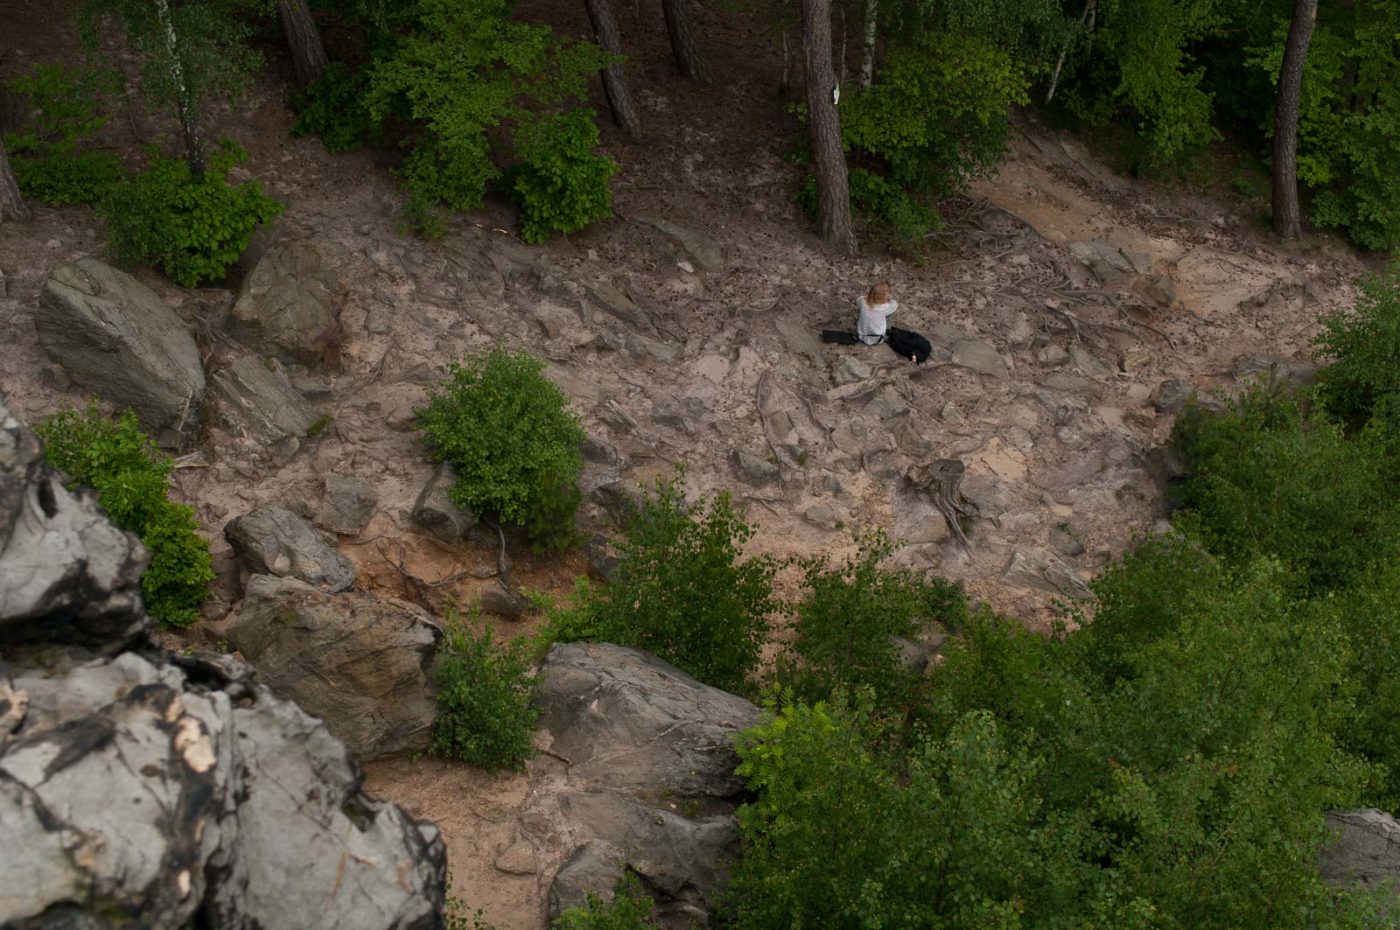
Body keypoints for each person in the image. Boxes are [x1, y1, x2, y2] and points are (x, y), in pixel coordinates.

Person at [821, 282, 932, 364]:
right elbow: (895, 304)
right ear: (884, 296)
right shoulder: (885, 307)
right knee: (889, 315)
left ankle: (867, 324)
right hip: (878, 339)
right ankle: (885, 330)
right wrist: (889, 299)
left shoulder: (863, 302)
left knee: (862, 311)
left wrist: (867, 297)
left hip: (861, 336)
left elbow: (858, 298)